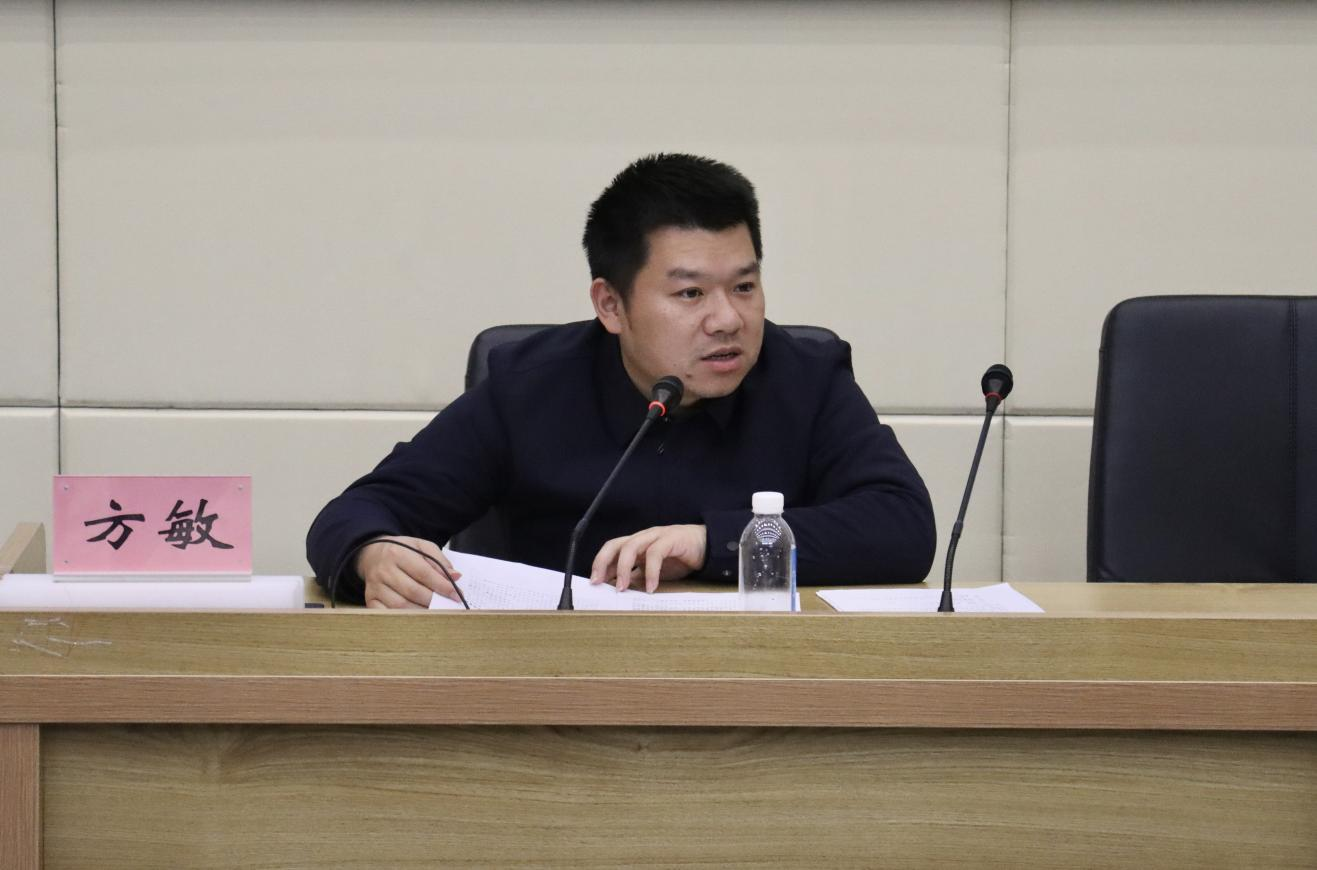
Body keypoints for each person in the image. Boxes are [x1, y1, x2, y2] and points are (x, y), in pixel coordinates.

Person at [306, 154, 935, 608]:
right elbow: (355, 514)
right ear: (611, 305)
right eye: (690, 293)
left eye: (745, 286)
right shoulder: (529, 389)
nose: (728, 319)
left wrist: (714, 542)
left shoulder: (806, 379)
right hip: (556, 692)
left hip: (757, 685)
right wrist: (373, 554)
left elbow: (903, 525)